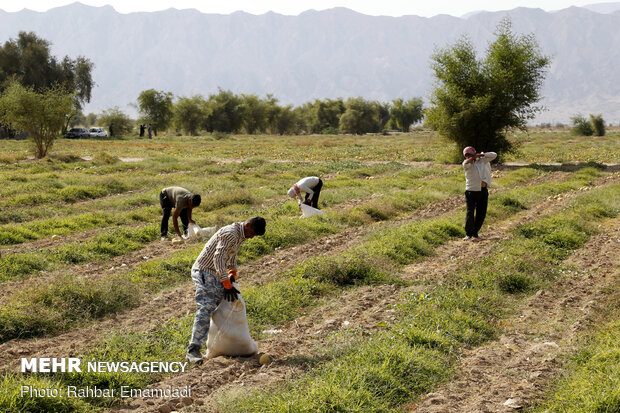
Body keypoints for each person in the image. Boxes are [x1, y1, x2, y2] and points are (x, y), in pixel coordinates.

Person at [186, 216, 267, 364]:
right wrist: (226, 283)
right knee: (206, 307)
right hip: (205, 271)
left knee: (222, 307)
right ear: (247, 225)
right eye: (252, 233)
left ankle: (220, 344)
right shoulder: (231, 233)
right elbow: (218, 258)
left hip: (216, 272)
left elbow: (231, 257)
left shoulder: (240, 235)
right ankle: (193, 349)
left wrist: (232, 273)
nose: (251, 237)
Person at [462, 146, 497, 240]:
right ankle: (468, 234)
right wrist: (473, 158)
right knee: (470, 213)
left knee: (481, 213)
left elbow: (494, 155)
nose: (468, 156)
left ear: (474, 153)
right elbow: (466, 163)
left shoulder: (482, 161)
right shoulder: (467, 163)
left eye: (470, 154)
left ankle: (475, 233)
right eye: (467, 155)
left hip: (483, 191)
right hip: (471, 192)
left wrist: (482, 155)